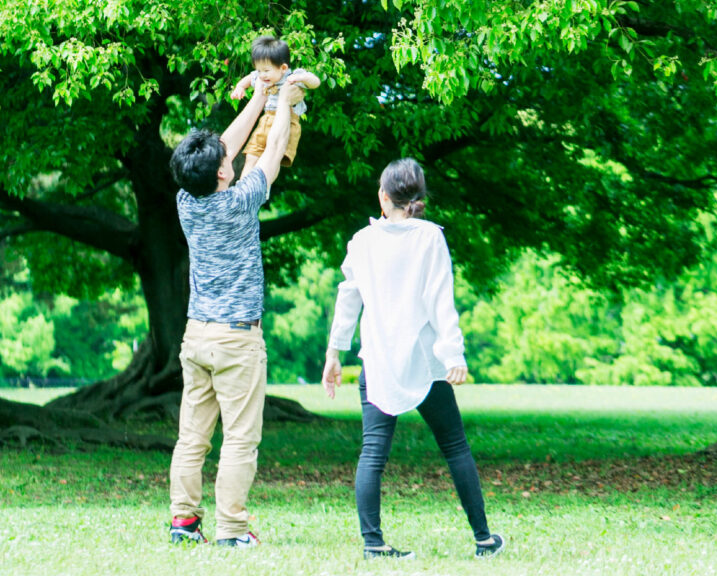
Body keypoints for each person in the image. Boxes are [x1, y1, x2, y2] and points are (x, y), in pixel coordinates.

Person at [321, 158, 506, 560]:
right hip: (423, 361)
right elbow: (440, 299)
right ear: (418, 197)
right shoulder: (429, 237)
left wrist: (335, 352)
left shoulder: (362, 240)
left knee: (373, 452)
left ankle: (373, 544)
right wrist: (453, 353)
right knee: (455, 446)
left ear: (383, 197)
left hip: (378, 360)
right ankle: (483, 539)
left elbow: (348, 297)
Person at [166, 76, 302, 547]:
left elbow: (222, 151)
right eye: (225, 161)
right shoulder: (241, 201)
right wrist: (282, 105)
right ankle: (231, 531)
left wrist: (260, 96)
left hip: (196, 337)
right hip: (236, 340)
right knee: (240, 440)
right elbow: (273, 150)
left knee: (192, 438)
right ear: (223, 175)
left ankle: (184, 524)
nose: (229, 156)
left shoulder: (186, 199)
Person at [230, 35, 320, 178]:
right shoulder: (262, 78)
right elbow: (249, 78)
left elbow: (316, 82)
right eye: (259, 70)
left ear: (283, 68)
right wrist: (240, 87)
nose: (261, 75)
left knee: (274, 158)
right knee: (252, 155)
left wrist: (302, 78)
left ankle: (264, 185)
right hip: (267, 120)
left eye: (266, 70)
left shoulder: (293, 77)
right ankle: (243, 183)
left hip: (288, 122)